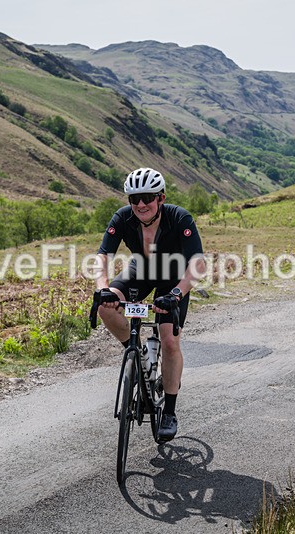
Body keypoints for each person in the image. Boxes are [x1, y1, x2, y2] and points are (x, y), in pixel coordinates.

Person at [93, 168, 205, 442]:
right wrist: (102, 288)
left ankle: (169, 410)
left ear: (161, 197)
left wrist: (176, 295)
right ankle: (136, 350)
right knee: (105, 307)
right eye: (134, 199)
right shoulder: (122, 217)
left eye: (147, 197)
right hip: (140, 271)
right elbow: (102, 256)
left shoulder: (179, 218)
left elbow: (197, 264)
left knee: (168, 341)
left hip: (172, 278)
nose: (141, 204)